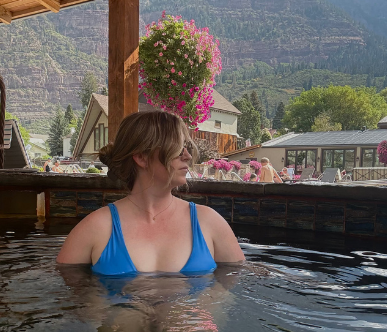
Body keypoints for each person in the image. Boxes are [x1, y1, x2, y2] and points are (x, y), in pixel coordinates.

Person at [56, 109, 245, 273]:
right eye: (178, 148)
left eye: (186, 148)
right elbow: (74, 301)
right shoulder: (95, 228)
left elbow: (231, 292)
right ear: (141, 157)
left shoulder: (210, 223)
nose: (187, 156)